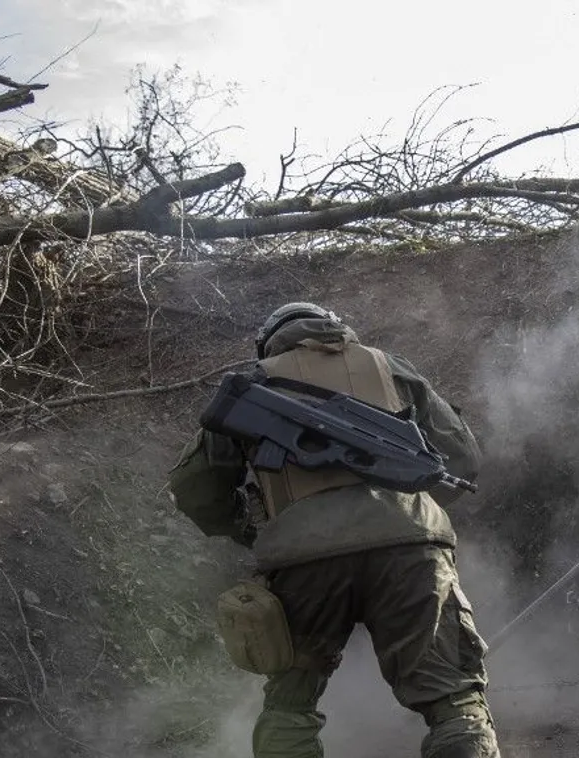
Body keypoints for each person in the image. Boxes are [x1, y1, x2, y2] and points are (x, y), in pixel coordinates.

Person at [168, 302, 500, 758]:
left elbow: (197, 489)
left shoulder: (252, 386)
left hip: (304, 558)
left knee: (290, 704)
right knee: (453, 698)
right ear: (339, 330)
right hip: (411, 550)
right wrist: (405, 514)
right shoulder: (389, 367)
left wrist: (250, 529)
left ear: (270, 342)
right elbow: (462, 456)